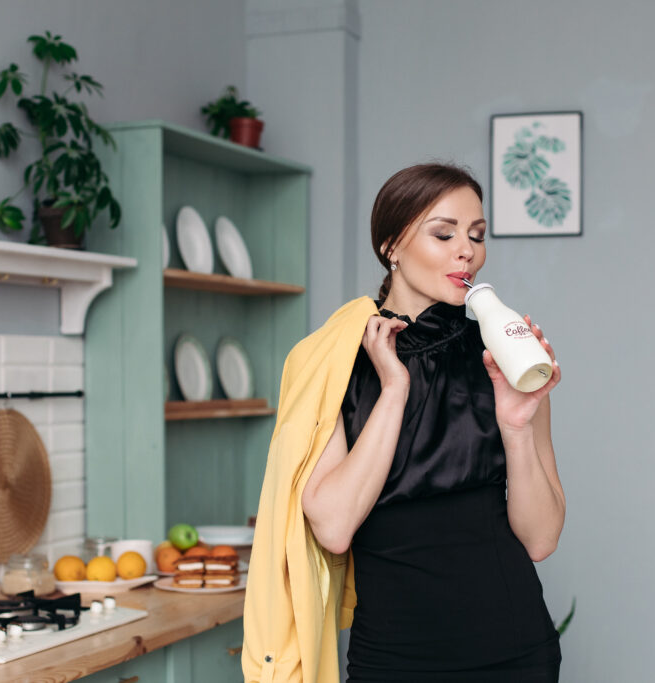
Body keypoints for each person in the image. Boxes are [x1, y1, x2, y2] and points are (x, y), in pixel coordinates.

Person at [242, 163, 565, 683]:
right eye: (444, 233)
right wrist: (394, 389)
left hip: (515, 650)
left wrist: (517, 426)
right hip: (394, 658)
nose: (468, 250)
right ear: (391, 244)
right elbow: (334, 525)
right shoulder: (332, 362)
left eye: (477, 236)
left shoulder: (507, 354)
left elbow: (542, 538)